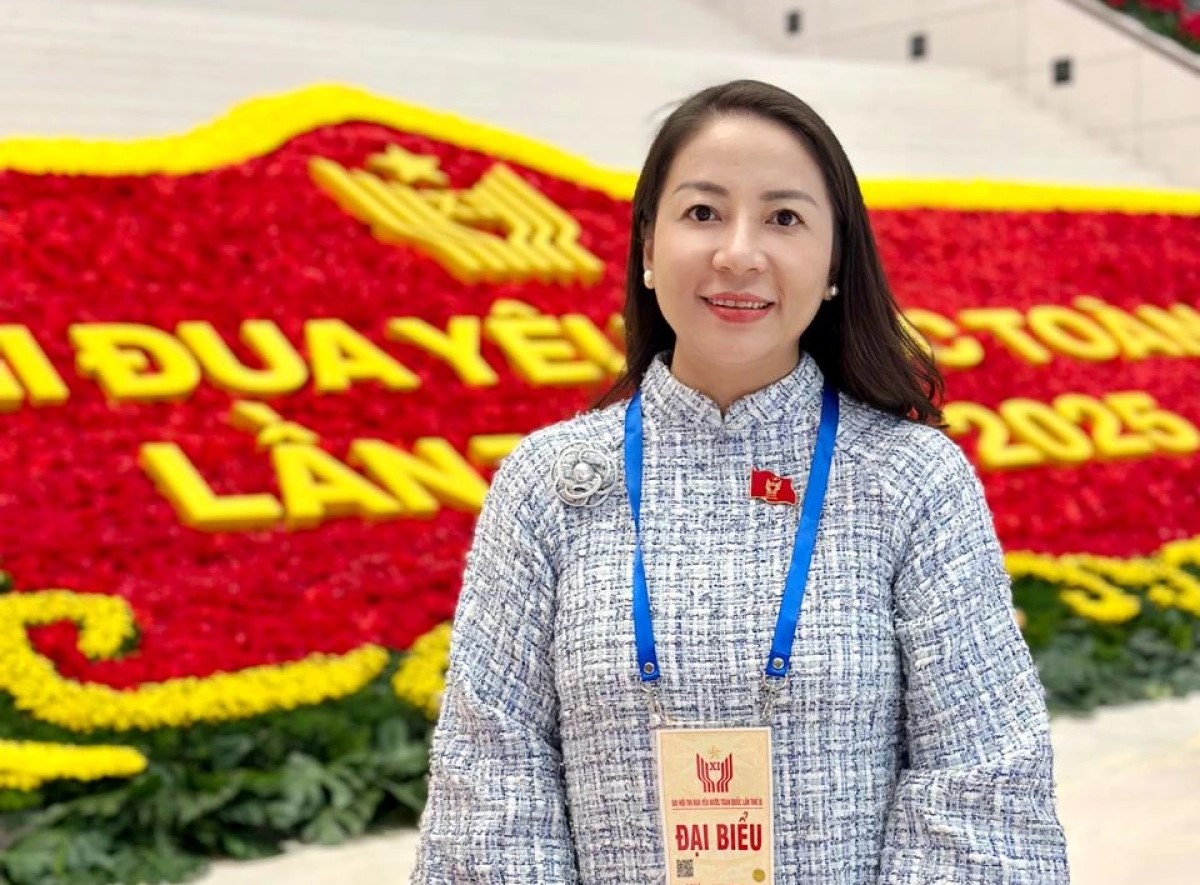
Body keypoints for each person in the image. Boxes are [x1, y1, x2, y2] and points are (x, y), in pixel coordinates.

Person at [412, 79, 1069, 883]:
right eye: (703, 212)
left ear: (834, 261)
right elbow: (490, 781)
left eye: (784, 218)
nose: (738, 253)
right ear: (648, 247)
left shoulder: (911, 481)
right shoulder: (546, 485)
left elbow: (982, 781)